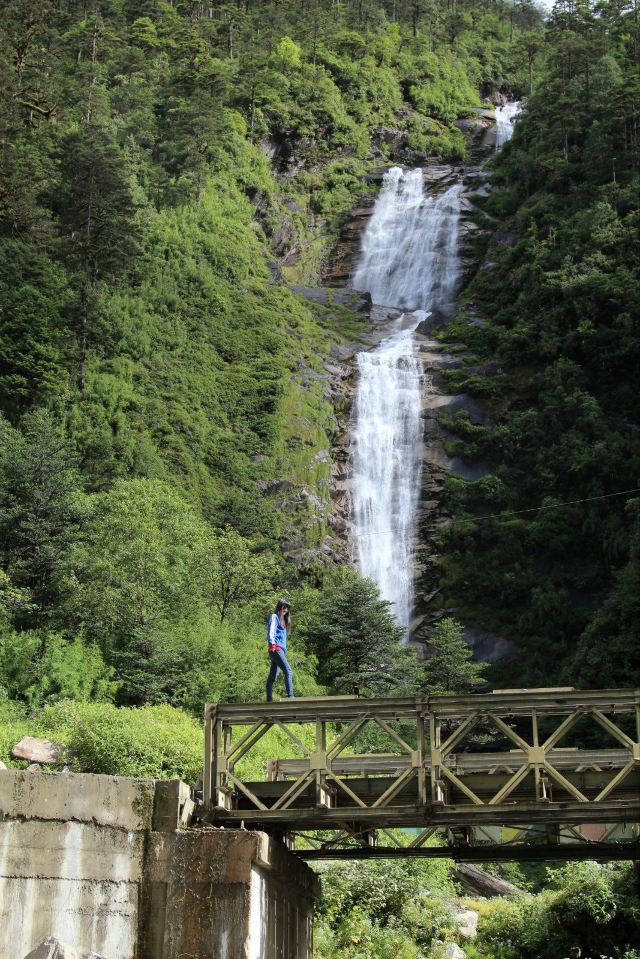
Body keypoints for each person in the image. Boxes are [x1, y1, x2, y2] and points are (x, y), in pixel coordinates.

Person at [266, 599, 294, 701]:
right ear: (279, 606)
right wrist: (272, 643)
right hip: (275, 648)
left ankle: (269, 700)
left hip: (280, 650)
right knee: (289, 671)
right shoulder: (274, 617)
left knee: (272, 677)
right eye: (283, 607)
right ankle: (290, 696)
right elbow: (271, 631)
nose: (285, 609)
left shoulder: (285, 620)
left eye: (287, 608)